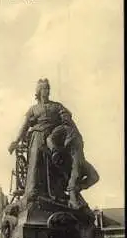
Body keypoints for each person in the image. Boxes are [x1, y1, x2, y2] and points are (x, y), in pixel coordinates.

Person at [8, 78, 98, 209]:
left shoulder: (57, 106)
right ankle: (32, 192)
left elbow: (68, 122)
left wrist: (74, 136)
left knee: (61, 161)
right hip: (38, 136)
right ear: (38, 91)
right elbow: (24, 126)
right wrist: (16, 141)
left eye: (48, 88)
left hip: (56, 138)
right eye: (44, 88)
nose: (47, 91)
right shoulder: (33, 109)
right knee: (36, 158)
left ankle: (60, 191)